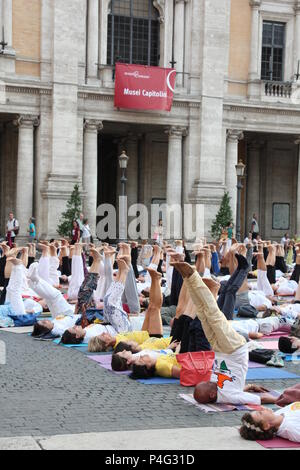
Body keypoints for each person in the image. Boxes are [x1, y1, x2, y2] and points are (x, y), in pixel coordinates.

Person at [172, 262, 274, 406]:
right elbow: (261, 399)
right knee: (212, 312)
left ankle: (187, 278)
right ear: (212, 394)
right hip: (234, 349)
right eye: (208, 384)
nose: (209, 380)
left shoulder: (221, 392)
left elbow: (232, 388)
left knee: (202, 312)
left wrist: (249, 387)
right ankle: (192, 275)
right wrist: (284, 400)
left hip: (219, 349)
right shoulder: (230, 397)